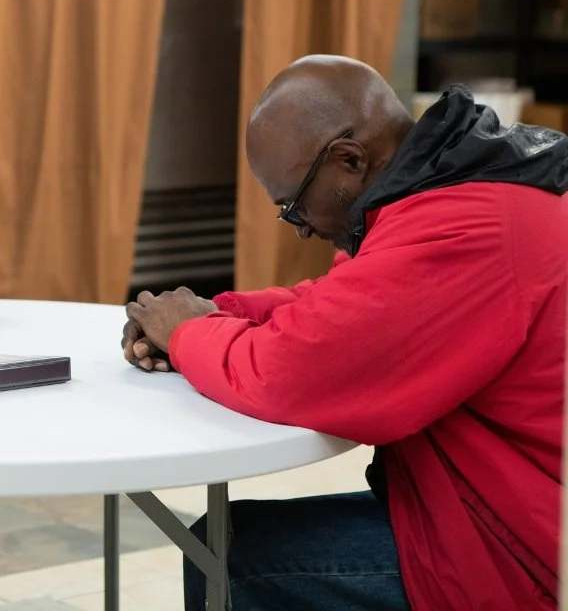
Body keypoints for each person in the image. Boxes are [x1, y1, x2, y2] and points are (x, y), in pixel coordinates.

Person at [122, 55, 565, 611]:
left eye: (293, 204)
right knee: (226, 538)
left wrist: (188, 334)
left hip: (524, 557)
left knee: (230, 559)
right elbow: (350, 305)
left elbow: (292, 374)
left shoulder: (467, 225)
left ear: (348, 159)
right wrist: (221, 312)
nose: (301, 226)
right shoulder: (466, 184)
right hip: (510, 510)